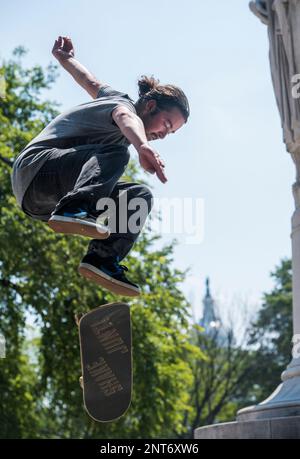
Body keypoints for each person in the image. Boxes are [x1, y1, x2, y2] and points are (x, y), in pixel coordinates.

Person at [11, 36, 190, 297]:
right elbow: (125, 117)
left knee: (138, 197)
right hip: (37, 170)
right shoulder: (123, 107)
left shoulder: (111, 96)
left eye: (171, 133)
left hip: (41, 201)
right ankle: (75, 209)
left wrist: (67, 59)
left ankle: (102, 260)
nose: (164, 134)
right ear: (150, 106)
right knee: (117, 153)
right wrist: (141, 146)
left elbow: (90, 82)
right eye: (166, 125)